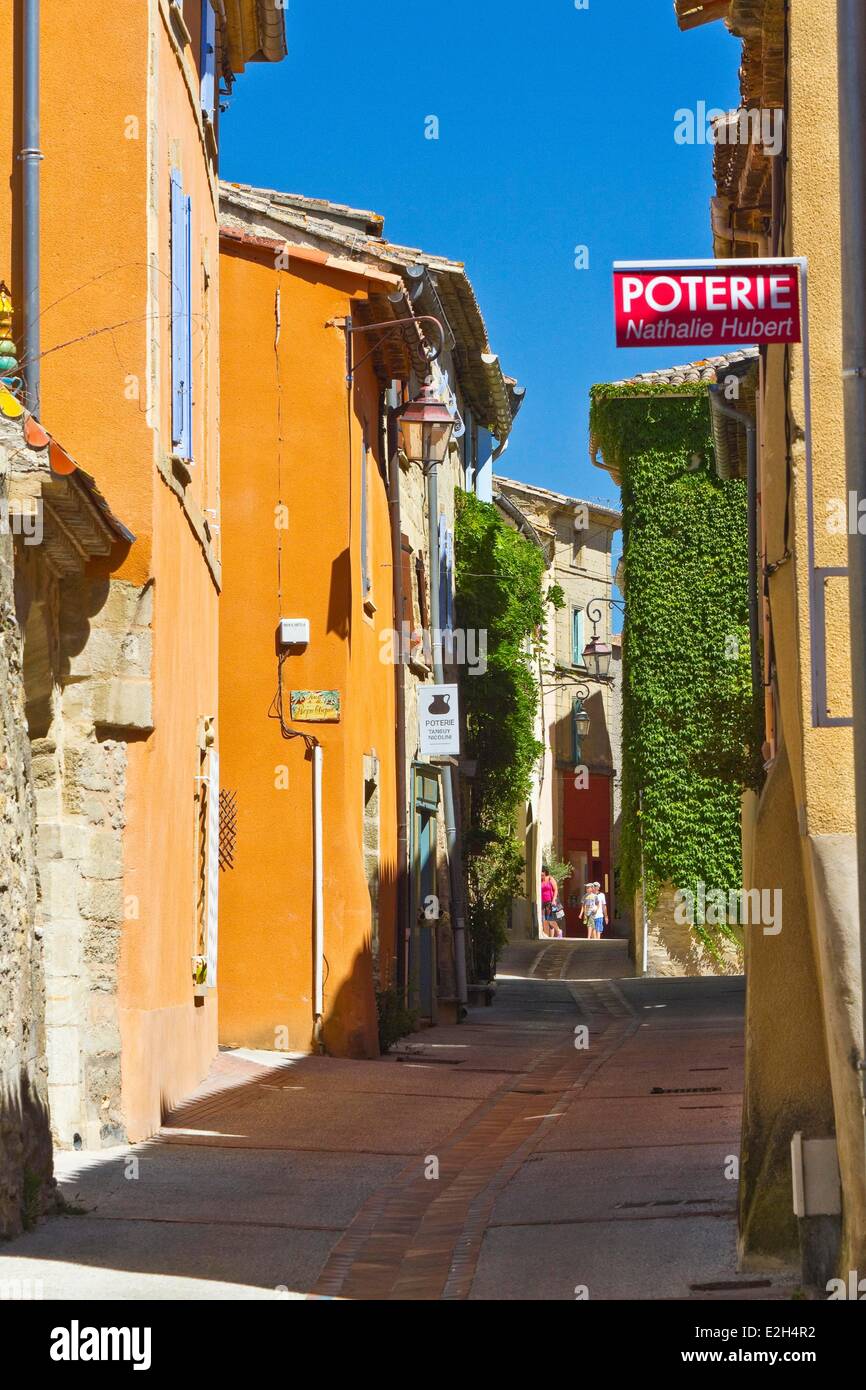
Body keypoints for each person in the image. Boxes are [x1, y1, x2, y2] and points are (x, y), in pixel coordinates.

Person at [540, 869, 563, 938]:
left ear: (545, 873)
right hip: (543, 902)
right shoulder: (540, 881)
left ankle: (558, 931)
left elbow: (556, 889)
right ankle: (546, 936)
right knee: (545, 920)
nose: (541, 876)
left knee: (550, 919)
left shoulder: (550, 878)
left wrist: (554, 899)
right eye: (540, 875)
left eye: (543, 875)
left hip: (550, 901)